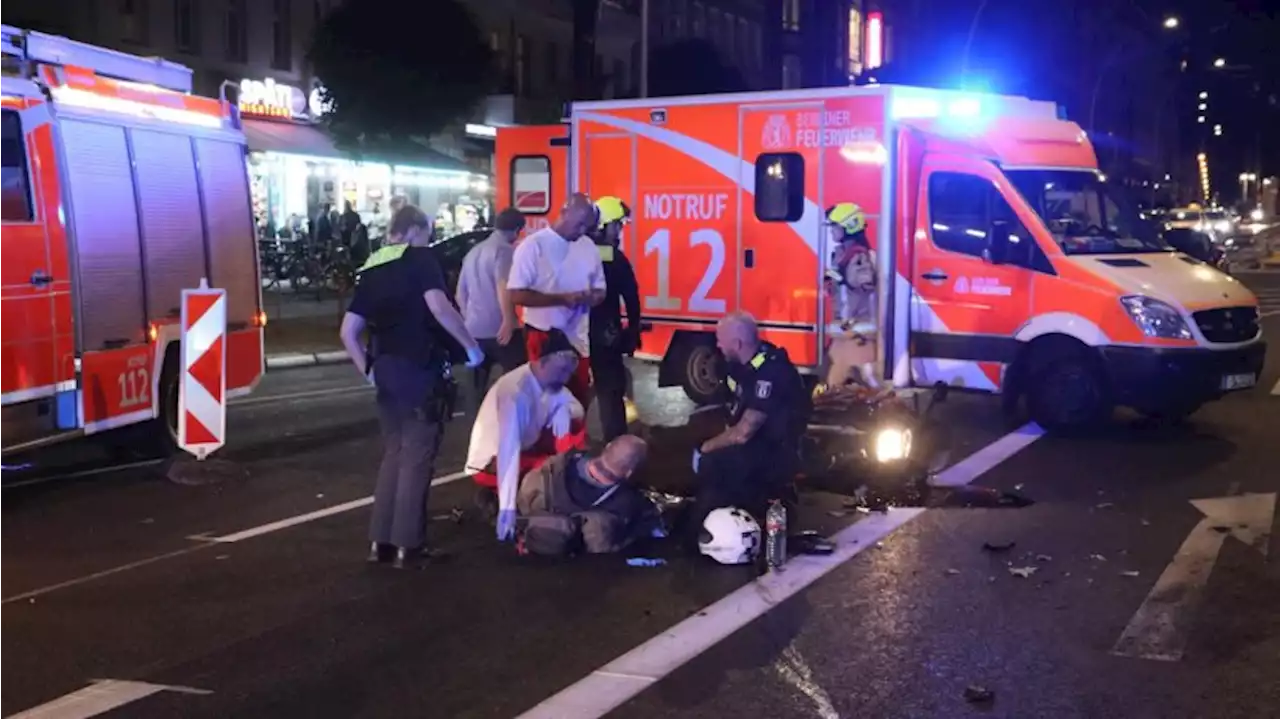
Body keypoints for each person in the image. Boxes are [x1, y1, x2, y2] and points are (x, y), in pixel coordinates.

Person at [339, 204, 485, 569]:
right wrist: (470, 347)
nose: (431, 238)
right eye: (429, 231)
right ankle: (409, 546)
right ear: (416, 229)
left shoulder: (373, 265)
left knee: (394, 453)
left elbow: (348, 332)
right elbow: (438, 306)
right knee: (418, 457)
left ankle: (381, 543)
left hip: (386, 367)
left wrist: (369, 370)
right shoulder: (421, 259)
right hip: (420, 367)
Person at [689, 312, 809, 538]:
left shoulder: (771, 372)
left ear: (737, 343)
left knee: (712, 464)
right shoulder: (743, 364)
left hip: (775, 450)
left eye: (720, 339)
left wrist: (705, 449)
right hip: (758, 443)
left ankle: (702, 532)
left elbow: (744, 432)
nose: (717, 345)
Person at [466, 328, 588, 542]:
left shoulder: (551, 383)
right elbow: (508, 451)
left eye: (568, 373)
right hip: (491, 463)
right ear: (542, 362)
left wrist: (565, 410)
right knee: (556, 471)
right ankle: (503, 498)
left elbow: (577, 409)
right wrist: (507, 510)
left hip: (525, 449)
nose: (565, 378)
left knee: (573, 434)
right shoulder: (516, 393)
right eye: (561, 371)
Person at [507, 193, 605, 410]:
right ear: (564, 212)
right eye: (578, 224)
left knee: (578, 401)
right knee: (545, 401)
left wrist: (591, 297)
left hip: (578, 340)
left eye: (586, 227)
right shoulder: (533, 246)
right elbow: (516, 294)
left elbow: (600, 290)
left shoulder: (588, 246)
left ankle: (574, 442)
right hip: (542, 337)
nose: (581, 232)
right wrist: (561, 299)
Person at [517, 435, 660, 556]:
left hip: (532, 536)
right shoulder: (624, 508)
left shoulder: (548, 473)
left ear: (607, 447)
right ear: (630, 472)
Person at [456, 207, 528, 411]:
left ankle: (477, 431)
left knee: (475, 390)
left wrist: (468, 319)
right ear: (516, 230)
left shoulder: (473, 252)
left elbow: (460, 294)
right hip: (500, 330)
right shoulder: (503, 250)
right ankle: (512, 426)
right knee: (517, 383)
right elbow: (503, 285)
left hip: (474, 330)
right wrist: (508, 319)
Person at [587, 196, 642, 442]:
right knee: (611, 392)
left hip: (573, 334)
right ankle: (616, 445)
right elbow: (631, 297)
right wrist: (633, 330)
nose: (619, 231)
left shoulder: (577, 251)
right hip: (605, 333)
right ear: (604, 226)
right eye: (617, 225)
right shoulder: (614, 258)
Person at [821, 202, 880, 393]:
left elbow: (866, 283)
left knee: (841, 387)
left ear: (849, 226)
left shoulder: (859, 256)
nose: (832, 231)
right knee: (841, 386)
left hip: (857, 334)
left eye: (835, 227)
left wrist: (843, 277)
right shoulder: (842, 254)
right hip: (847, 333)